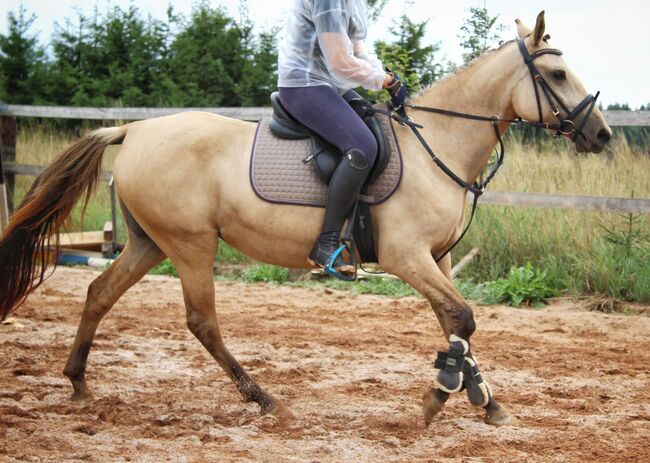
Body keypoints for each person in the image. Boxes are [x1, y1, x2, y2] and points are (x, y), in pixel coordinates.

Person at [277, 0, 407, 278]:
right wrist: (380, 81)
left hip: (330, 83)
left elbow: (356, 45)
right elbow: (340, 60)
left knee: (375, 123)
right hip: (304, 82)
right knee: (362, 146)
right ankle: (325, 245)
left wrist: (383, 73)